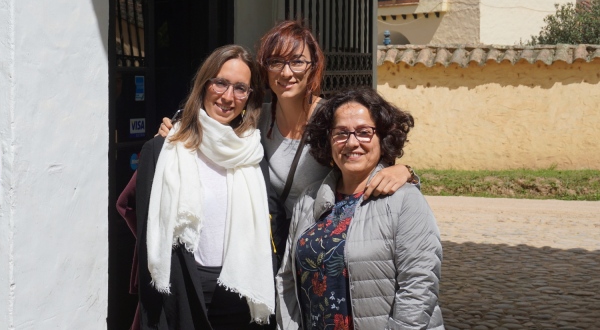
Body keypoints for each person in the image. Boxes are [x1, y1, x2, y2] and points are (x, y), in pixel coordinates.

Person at [159, 21, 419, 256]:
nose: (286, 73)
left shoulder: (333, 120)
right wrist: (176, 129)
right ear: (265, 68)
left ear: (313, 67)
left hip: (322, 247)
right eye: (276, 62)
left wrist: (404, 171)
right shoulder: (254, 119)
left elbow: (372, 158)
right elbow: (212, 130)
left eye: (297, 61)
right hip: (269, 246)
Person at [276, 87, 444, 330]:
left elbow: (419, 286)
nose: (352, 142)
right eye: (341, 133)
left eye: (364, 132)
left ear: (383, 138)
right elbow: (287, 279)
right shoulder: (309, 200)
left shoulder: (404, 200)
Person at [135, 44, 278, 330]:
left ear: (249, 97)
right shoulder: (161, 151)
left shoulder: (253, 153)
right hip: (185, 291)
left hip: (241, 293)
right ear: (204, 84)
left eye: (240, 88)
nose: (228, 96)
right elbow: (145, 240)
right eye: (221, 83)